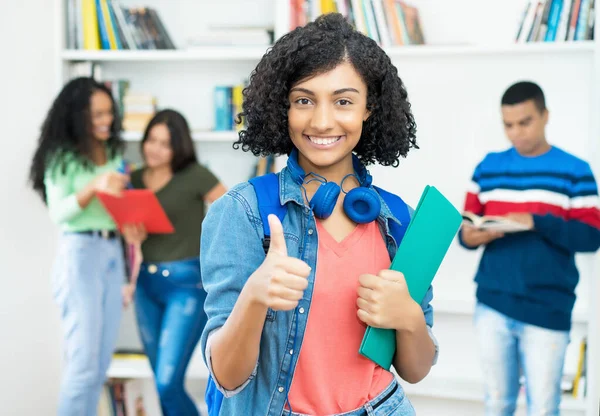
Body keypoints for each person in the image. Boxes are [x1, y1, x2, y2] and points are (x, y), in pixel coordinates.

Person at [199, 13, 439, 416]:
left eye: (343, 101)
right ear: (283, 106)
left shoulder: (398, 218)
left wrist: (410, 318)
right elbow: (227, 377)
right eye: (304, 100)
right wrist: (254, 298)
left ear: (369, 107)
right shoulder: (243, 212)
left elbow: (414, 371)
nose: (322, 121)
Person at [459, 81, 600, 416]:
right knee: (497, 402)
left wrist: (536, 221)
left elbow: (592, 237)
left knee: (543, 407)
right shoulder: (487, 168)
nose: (516, 133)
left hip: (547, 307)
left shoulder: (575, 171)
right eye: (508, 125)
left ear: (545, 115)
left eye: (525, 122)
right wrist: (475, 235)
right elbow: (465, 233)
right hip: (492, 302)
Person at [29, 77, 129, 416]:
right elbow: (59, 212)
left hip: (113, 253)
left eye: (108, 113)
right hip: (80, 253)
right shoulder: (62, 157)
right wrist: (95, 186)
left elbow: (115, 208)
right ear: (76, 116)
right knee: (83, 365)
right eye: (96, 115)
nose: (105, 121)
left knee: (100, 365)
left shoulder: (113, 151)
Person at [123, 109, 227, 416]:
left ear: (178, 147)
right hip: (146, 284)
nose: (154, 149)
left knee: (168, 383)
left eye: (165, 143)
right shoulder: (135, 178)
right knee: (160, 383)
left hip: (186, 284)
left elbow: (232, 214)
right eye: (151, 140)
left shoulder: (196, 175)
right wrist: (131, 232)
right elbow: (130, 230)